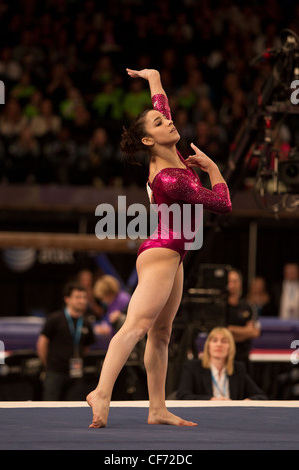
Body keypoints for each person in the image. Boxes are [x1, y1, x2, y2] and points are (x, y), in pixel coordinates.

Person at [86, 68, 232, 428]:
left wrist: (153, 78)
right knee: (137, 326)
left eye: (164, 119)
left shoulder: (170, 154)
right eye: (159, 123)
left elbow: (160, 104)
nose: (168, 122)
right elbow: (223, 203)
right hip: (161, 251)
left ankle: (157, 408)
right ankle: (101, 392)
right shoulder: (171, 176)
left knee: (161, 333)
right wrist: (213, 168)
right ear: (149, 140)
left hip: (175, 254)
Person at [36, 282, 96, 401]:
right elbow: (42, 344)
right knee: (49, 407)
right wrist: (47, 366)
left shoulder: (86, 322)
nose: (82, 301)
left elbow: (86, 347)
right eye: (77, 297)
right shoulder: (55, 319)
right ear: (67, 299)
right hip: (55, 371)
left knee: (74, 409)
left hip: (77, 373)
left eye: (84, 297)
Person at [177, 327, 267, 400]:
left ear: (230, 347)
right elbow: (183, 396)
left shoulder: (238, 369)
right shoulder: (193, 367)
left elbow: (260, 396)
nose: (219, 345)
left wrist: (248, 401)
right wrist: (211, 400)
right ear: (208, 345)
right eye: (214, 340)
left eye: (224, 341)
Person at [226, 268, 261, 366]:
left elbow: (254, 332)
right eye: (229, 281)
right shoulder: (220, 306)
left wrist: (232, 329)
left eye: (235, 281)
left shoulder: (248, 306)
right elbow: (221, 332)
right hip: (223, 356)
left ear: (240, 283)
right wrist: (244, 332)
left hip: (243, 356)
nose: (232, 285)